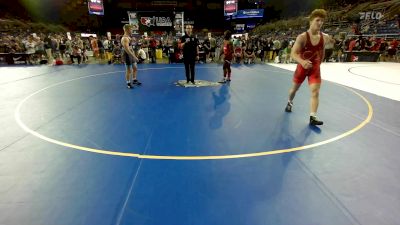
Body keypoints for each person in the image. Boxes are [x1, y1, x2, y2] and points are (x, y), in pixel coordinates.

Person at [284, 9, 334, 126]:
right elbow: (293, 53)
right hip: (302, 68)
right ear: (311, 21)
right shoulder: (302, 37)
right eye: (317, 20)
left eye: (322, 21)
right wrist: (302, 61)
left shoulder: (325, 37)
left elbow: (324, 49)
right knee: (294, 90)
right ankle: (290, 101)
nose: (320, 23)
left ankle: (313, 117)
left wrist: (319, 63)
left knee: (315, 92)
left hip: (314, 69)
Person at [121, 24, 140, 89]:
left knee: (135, 68)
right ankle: (128, 83)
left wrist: (134, 55)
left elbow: (131, 47)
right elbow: (127, 50)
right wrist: (134, 57)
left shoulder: (129, 37)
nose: (132, 30)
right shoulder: (125, 38)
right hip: (127, 55)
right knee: (129, 70)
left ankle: (134, 79)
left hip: (131, 54)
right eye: (131, 29)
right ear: (127, 30)